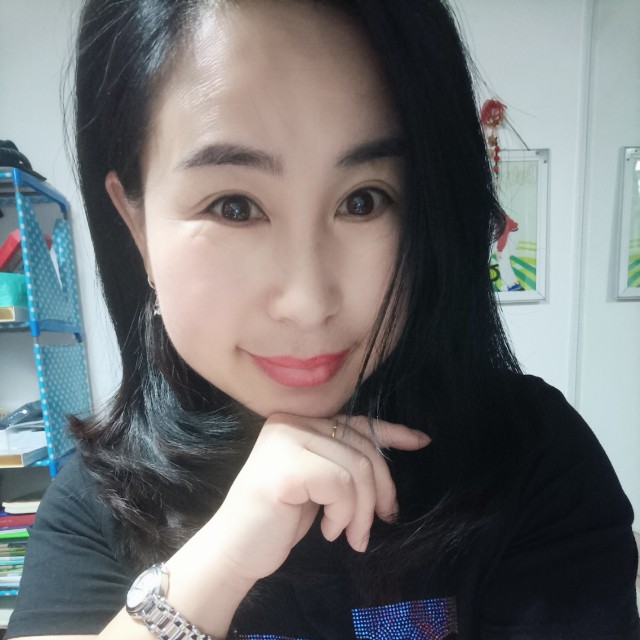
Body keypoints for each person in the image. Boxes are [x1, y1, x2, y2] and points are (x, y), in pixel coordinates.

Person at [6, 0, 639, 638]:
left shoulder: (532, 459)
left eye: (363, 201)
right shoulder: (98, 502)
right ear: (137, 226)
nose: (308, 302)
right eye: (233, 206)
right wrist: (216, 567)